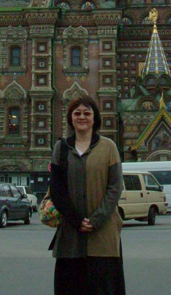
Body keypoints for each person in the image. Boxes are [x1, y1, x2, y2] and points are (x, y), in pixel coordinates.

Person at [50, 96, 125, 295]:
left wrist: (96, 219)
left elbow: (115, 187)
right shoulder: (61, 148)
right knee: (71, 287)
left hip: (103, 233)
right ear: (71, 118)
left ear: (95, 119)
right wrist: (75, 220)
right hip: (71, 233)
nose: (81, 117)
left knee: (103, 287)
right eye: (77, 113)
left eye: (87, 113)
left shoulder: (108, 147)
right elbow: (57, 189)